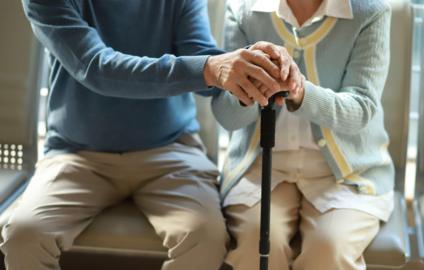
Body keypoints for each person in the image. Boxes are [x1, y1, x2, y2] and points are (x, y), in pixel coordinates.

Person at [0, 1, 301, 270]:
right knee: (23, 237)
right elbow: (95, 67)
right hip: (76, 154)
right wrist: (212, 69)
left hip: (170, 150)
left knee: (205, 238)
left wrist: (251, 70)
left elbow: (203, 63)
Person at [212, 0, 394, 269]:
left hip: (346, 175)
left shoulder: (370, 11)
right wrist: (248, 90)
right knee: (257, 245)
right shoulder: (243, 9)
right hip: (260, 167)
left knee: (329, 250)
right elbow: (227, 117)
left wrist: (301, 92)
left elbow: (362, 109)